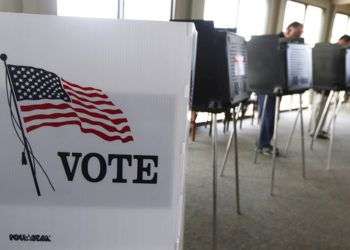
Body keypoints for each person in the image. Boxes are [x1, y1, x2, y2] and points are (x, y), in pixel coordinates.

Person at [258, 22, 304, 155]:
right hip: (266, 84)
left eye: (300, 34)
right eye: (297, 33)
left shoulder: (290, 43)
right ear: (289, 29)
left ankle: (263, 142)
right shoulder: (273, 41)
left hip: (278, 84)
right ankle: (264, 145)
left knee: (271, 115)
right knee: (269, 115)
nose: (298, 37)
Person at [308, 35, 350, 139]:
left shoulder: (328, 49)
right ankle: (314, 130)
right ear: (343, 41)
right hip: (324, 84)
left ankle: (317, 129)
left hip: (321, 83)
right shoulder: (337, 51)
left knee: (321, 108)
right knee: (318, 107)